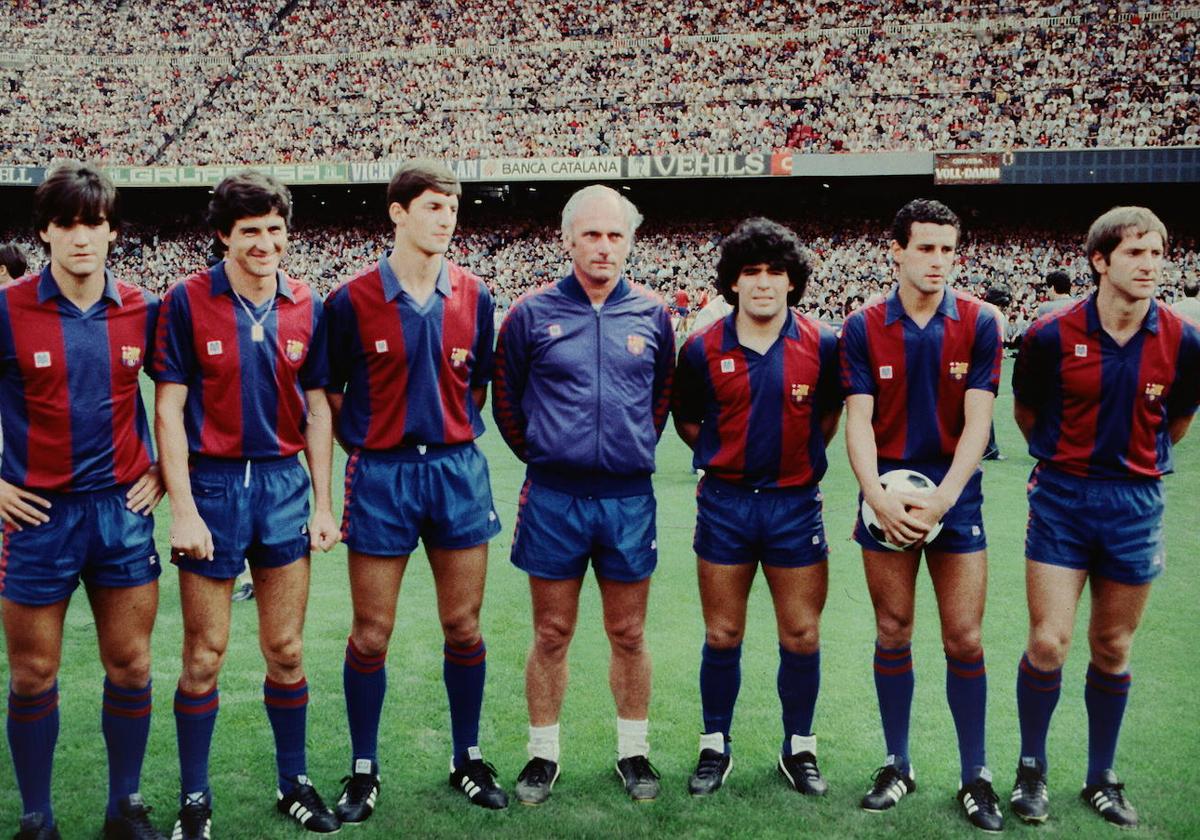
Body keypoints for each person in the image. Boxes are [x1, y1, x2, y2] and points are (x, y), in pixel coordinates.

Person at [154, 171, 340, 838]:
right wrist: (181, 507)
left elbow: (318, 409)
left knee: (286, 649)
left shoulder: (308, 304)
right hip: (212, 488)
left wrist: (323, 502)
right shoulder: (185, 301)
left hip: (285, 489)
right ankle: (195, 800)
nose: (265, 243)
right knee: (205, 655)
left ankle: (294, 783)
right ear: (223, 238)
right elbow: (168, 409)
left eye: (273, 229)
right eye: (250, 232)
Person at [323, 160, 507, 820]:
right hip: (382, 474)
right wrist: (378, 445)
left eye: (453, 207)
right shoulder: (350, 299)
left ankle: (466, 756)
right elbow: (332, 396)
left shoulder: (476, 295)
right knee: (372, 633)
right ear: (397, 212)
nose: (446, 218)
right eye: (433, 205)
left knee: (463, 625)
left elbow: (476, 387)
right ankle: (364, 768)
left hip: (457, 471)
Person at [1009, 207, 1199, 828]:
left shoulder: (1182, 339)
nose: (1148, 265)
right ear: (1100, 260)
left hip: (1136, 505)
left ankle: (1101, 776)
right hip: (1063, 498)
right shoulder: (1049, 335)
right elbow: (1028, 416)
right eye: (1134, 253)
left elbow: (1175, 423)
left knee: (1112, 646)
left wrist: (1132, 465)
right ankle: (1031, 769)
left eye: (1156, 254)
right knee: (1048, 641)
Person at [492, 184, 674, 804]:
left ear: (630, 242)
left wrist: (622, 453)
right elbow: (507, 406)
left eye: (615, 234)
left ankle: (634, 752)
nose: (603, 246)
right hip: (553, 497)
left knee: (629, 632)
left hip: (627, 500)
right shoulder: (529, 314)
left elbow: (659, 400)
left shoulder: (652, 315)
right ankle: (543, 755)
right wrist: (550, 454)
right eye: (591, 234)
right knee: (551, 632)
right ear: (567, 239)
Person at [0, 161, 166, 840]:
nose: (80, 238)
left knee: (130, 663)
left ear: (112, 232)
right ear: (44, 232)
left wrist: (161, 469)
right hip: (38, 517)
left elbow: (188, 392)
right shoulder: (8, 310)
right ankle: (37, 818)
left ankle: (122, 808)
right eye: (66, 224)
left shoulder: (141, 309)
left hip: (121, 512)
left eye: (93, 224)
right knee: (34, 672)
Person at [840, 199, 1005, 832]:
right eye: (926, 248)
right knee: (894, 631)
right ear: (898, 251)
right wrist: (876, 497)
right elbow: (858, 421)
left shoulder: (982, 322)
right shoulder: (862, 326)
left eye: (948, 249)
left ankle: (975, 775)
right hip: (885, 498)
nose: (938, 261)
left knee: (964, 637)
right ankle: (897, 763)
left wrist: (944, 496)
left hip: (954, 497)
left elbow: (979, 421)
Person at [672, 218, 842, 797]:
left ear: (793, 281)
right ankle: (714, 745)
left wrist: (789, 463)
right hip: (725, 504)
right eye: (751, 272)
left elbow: (825, 420)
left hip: (795, 504)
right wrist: (728, 457)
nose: (764, 283)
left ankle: (799, 748)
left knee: (801, 634)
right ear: (732, 283)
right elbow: (688, 422)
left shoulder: (823, 343)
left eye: (776, 272)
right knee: (722, 633)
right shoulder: (700, 348)